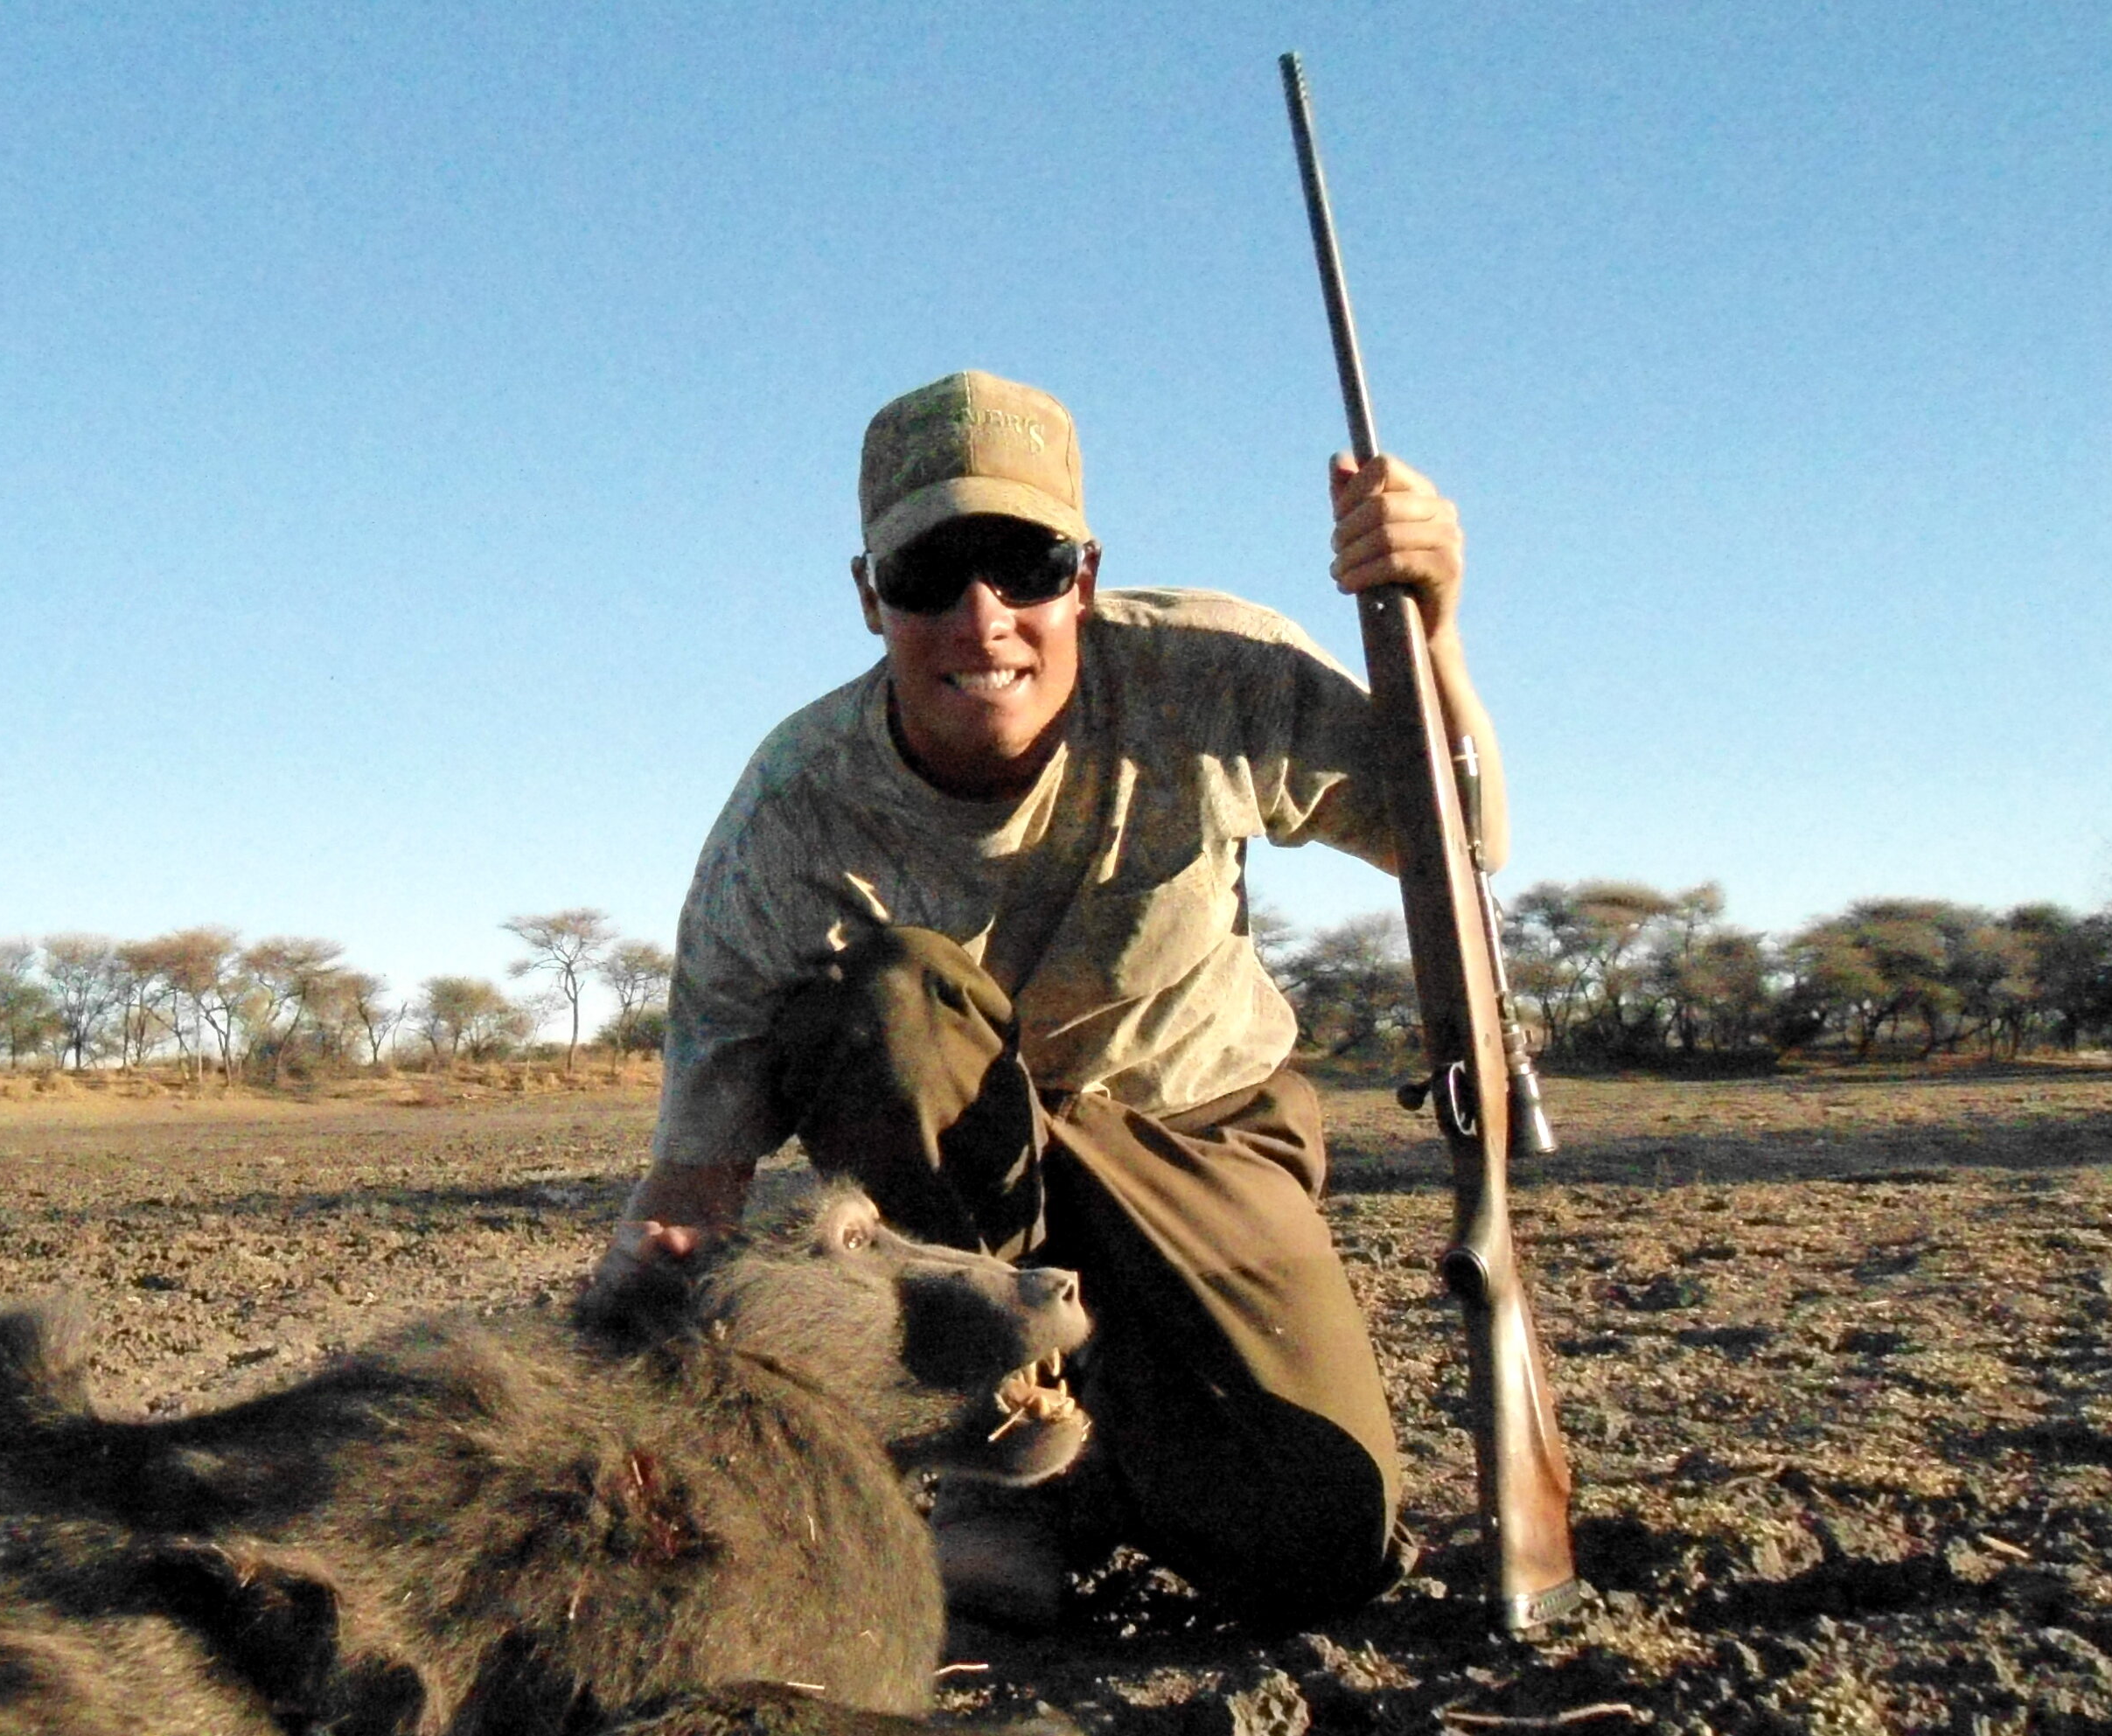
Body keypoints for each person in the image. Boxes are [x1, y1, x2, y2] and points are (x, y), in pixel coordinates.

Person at [598, 370, 1506, 1634]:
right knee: (887, 1005)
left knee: (1316, 1548)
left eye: (1024, 565)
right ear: (869, 597)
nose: (983, 622)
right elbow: (695, 1184)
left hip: (1194, 1133)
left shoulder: (1218, 671)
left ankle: (1110, 1448)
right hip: (956, 1195)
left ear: (1084, 575)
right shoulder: (793, 810)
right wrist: (613, 1351)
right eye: (929, 574)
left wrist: (1437, 628)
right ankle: (994, 1454)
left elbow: (1461, 841)